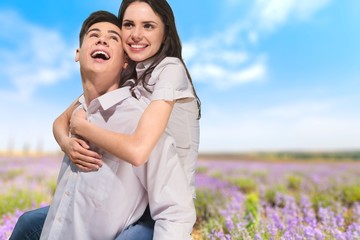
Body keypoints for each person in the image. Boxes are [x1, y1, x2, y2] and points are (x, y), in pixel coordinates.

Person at [11, 0, 201, 238]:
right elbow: (63, 118)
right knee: (32, 222)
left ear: (165, 35)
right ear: (77, 54)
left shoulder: (170, 71)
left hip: (160, 205)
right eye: (129, 25)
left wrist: (82, 127)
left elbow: (139, 150)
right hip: (131, 191)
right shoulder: (128, 81)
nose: (136, 34)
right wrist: (67, 143)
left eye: (149, 26)